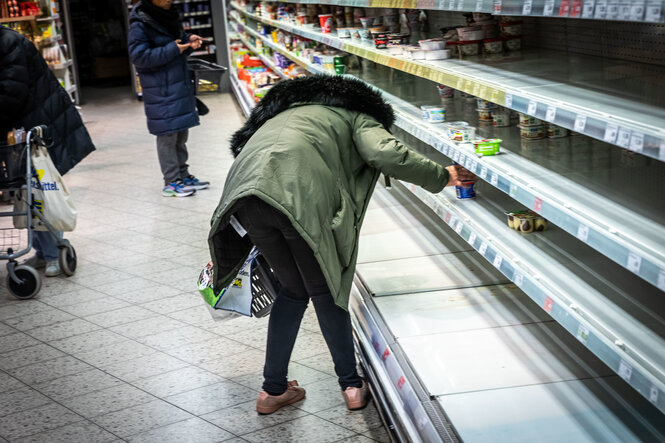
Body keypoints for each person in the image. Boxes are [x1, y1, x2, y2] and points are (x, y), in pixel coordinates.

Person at [208, 75, 476, 414]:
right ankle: (351, 385)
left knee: (292, 289)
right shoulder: (356, 114)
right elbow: (384, 152)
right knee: (326, 290)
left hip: (244, 197)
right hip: (294, 194)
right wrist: (442, 175)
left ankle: (273, 390)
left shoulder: (285, 113)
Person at [0, 26, 95, 277]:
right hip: (23, 128)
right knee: (30, 192)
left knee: (40, 191)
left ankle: (54, 251)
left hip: (36, 126)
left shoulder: (8, 43)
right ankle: (44, 252)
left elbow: (11, 94)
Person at [128, 0, 210, 197]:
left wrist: (189, 41)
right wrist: (175, 49)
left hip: (177, 83)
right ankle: (171, 182)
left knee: (181, 134)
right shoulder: (140, 23)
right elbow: (139, 57)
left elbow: (179, 42)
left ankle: (183, 175)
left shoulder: (170, 16)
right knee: (167, 135)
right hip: (161, 88)